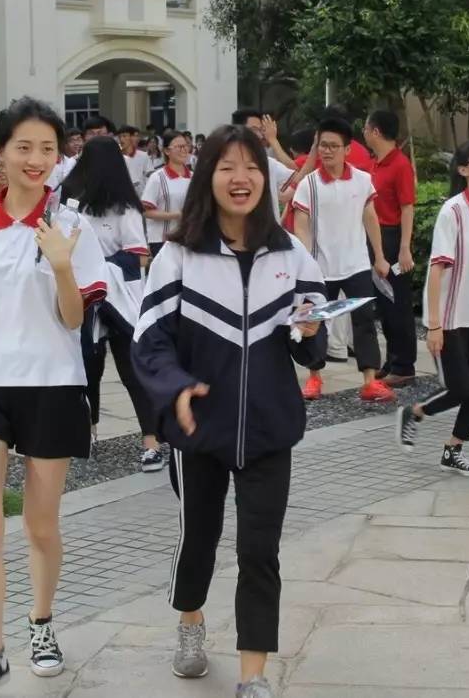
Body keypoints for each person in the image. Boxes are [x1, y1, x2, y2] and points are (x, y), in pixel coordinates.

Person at [131, 124, 326, 698]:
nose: (240, 178)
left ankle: (253, 676)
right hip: (200, 434)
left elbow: (311, 346)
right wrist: (175, 387)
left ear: (265, 179)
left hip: (270, 429)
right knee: (200, 538)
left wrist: (310, 332)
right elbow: (150, 341)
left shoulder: (291, 255)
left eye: (252, 167)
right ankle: (190, 622)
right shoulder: (179, 257)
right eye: (226, 167)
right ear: (206, 176)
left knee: (259, 550)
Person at [0, 97, 108, 696]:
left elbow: (72, 319)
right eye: (24, 147)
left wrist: (61, 264)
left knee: (39, 525)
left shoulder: (73, 226)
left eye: (48, 149)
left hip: (53, 387)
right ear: (0, 153)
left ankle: (41, 623)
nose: (36, 159)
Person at [396, 139, 469, 476]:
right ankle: (414, 412)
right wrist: (433, 324)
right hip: (450, 316)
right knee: (460, 388)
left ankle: (453, 449)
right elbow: (437, 268)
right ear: (463, 170)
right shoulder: (453, 211)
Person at [61, 138, 163, 471]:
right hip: (83, 298)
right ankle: (86, 434)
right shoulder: (70, 202)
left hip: (119, 300)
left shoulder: (125, 207)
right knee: (86, 368)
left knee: (131, 371)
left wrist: (97, 266)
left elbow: (138, 256)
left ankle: (152, 442)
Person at [292, 117, 396, 404]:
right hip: (319, 267)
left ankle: (370, 382)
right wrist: (305, 263)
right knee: (317, 322)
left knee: (364, 321)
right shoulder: (308, 185)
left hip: (357, 263)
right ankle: (314, 378)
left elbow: (370, 217)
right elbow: (300, 225)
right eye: (322, 145)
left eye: (333, 146)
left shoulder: (363, 181)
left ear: (347, 149)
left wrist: (380, 256)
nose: (327, 151)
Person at [365, 109, 419, 386]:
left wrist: (404, 247)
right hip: (376, 237)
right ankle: (392, 360)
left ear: (375, 131)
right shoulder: (375, 163)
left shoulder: (399, 164)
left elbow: (407, 207)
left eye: (366, 128)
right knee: (384, 305)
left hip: (394, 235)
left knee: (398, 305)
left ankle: (405, 365)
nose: (364, 134)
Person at [231, 110, 299, 218]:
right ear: (238, 130)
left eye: (261, 130)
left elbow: (298, 175)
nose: (259, 135)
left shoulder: (269, 163)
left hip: (268, 233)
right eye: (254, 130)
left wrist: (273, 140)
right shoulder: (224, 166)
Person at [141, 130, 194, 260]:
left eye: (185, 146)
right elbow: (146, 211)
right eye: (178, 147)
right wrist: (176, 215)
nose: (183, 150)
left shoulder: (194, 177)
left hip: (189, 238)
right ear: (166, 151)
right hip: (162, 239)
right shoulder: (157, 178)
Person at [118, 123, 156, 193]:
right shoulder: (115, 155)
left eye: (124, 136)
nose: (121, 139)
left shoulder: (143, 155)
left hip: (140, 194)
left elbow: (150, 173)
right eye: (120, 136)